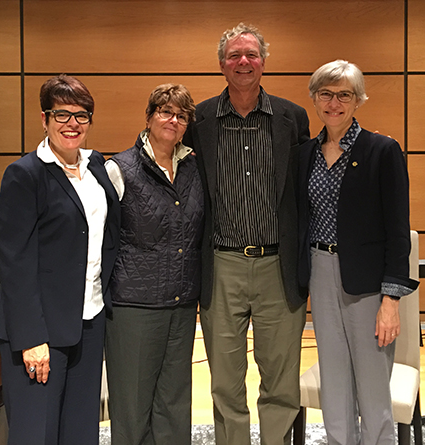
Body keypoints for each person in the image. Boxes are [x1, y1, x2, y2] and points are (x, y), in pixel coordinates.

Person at [183, 23, 310, 445]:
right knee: (225, 383)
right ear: (222, 64)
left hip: (278, 265)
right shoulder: (197, 119)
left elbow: (306, 187)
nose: (243, 62)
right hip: (222, 264)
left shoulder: (292, 118)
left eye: (251, 54)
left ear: (263, 62)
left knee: (280, 382)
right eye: (235, 55)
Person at [298, 60, 419, 445]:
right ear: (315, 99)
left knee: (372, 387)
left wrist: (391, 301)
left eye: (344, 94)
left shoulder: (382, 150)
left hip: (368, 284)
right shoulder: (305, 155)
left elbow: (398, 231)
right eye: (326, 94)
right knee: (333, 382)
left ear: (358, 100)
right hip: (320, 269)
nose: (334, 103)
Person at [0, 74, 120, 445]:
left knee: (80, 432)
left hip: (89, 320)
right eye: (62, 114)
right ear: (44, 118)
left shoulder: (96, 166)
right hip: (41, 330)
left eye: (81, 116)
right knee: (37, 433)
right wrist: (32, 337)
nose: (72, 124)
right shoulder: (25, 174)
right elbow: (14, 262)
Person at [105, 83, 204, 445]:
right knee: (132, 409)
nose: (173, 120)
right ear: (148, 117)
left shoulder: (194, 167)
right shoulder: (119, 169)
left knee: (174, 405)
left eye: (181, 115)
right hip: (135, 306)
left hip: (180, 304)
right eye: (165, 111)